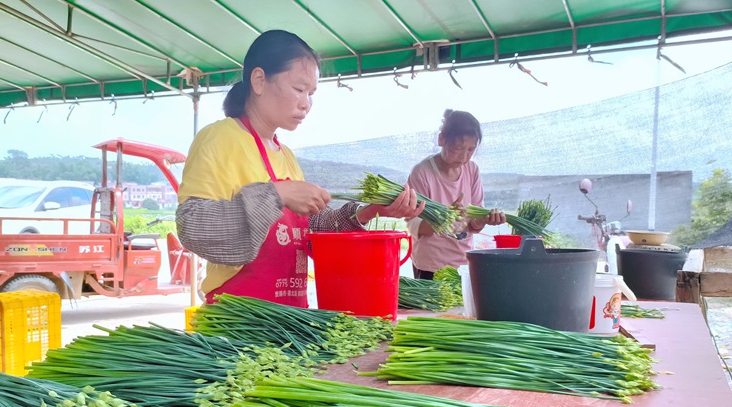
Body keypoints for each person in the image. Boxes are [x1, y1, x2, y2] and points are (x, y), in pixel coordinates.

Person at [177, 30, 424, 306]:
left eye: (311, 93)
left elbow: (310, 232)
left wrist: (369, 211)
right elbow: (193, 227)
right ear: (259, 80)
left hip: (292, 318)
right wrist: (277, 195)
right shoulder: (219, 139)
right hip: (238, 319)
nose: (306, 103)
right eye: (299, 89)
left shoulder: (287, 156)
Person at [406, 109, 505, 280]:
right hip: (431, 266)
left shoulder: (472, 170)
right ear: (441, 139)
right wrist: (444, 217)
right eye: (458, 148)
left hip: (464, 263)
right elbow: (414, 225)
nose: (464, 156)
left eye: (471, 150)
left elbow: (473, 224)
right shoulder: (422, 172)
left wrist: (484, 219)